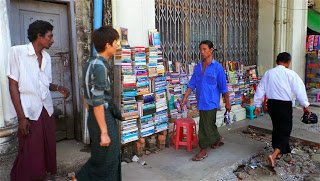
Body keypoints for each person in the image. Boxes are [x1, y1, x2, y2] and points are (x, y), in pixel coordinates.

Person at [7, 20, 70, 181]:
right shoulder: (17, 52)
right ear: (39, 36)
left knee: (48, 146)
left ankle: (44, 176)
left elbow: (44, 83)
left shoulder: (47, 57)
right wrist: (21, 118)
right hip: (28, 111)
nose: (53, 40)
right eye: (50, 36)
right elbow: (13, 86)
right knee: (30, 150)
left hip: (46, 109)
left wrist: (57, 88)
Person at [74, 26, 121, 181]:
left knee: (100, 157)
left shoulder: (90, 62)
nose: (117, 45)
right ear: (107, 45)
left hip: (94, 117)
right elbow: (98, 102)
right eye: (116, 42)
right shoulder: (100, 67)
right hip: (102, 116)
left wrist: (92, 119)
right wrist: (104, 132)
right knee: (109, 159)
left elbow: (86, 96)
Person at [254, 52, 310, 168]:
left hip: (272, 104)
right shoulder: (291, 74)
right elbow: (300, 89)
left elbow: (260, 89)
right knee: (285, 129)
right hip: (284, 105)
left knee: (277, 127)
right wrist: (305, 105)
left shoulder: (269, 73)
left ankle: (281, 151)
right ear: (288, 62)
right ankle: (274, 155)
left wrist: (257, 105)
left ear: (276, 61)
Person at [181, 40, 231, 161]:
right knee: (209, 123)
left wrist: (227, 102)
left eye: (205, 49)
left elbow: (224, 87)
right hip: (201, 101)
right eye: (201, 49)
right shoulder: (198, 67)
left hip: (212, 101)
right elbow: (192, 83)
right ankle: (216, 139)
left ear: (211, 50)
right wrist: (185, 97)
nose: (202, 52)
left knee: (204, 126)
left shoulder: (217, 68)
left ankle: (203, 150)